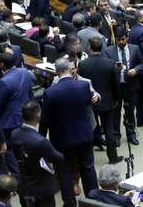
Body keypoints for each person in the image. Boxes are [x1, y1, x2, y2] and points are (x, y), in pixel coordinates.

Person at [39, 57, 100, 207]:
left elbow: (45, 120)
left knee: (65, 173)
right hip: (84, 136)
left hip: (62, 140)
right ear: (69, 69)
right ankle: (93, 201)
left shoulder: (50, 92)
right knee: (88, 168)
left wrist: (40, 139)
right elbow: (90, 102)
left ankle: (70, 203)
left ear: (56, 71)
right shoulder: (83, 86)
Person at [10, 101, 64, 207]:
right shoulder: (41, 141)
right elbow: (58, 158)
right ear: (38, 114)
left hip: (24, 186)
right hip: (41, 189)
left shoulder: (14, 134)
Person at [79, 37, 122, 164]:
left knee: (90, 127)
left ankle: (88, 158)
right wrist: (117, 99)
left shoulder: (82, 64)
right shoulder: (110, 63)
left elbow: (81, 84)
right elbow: (116, 84)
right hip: (107, 101)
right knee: (108, 129)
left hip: (89, 100)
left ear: (89, 48)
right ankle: (113, 157)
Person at [105, 27, 143, 146]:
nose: (121, 42)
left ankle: (131, 134)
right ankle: (116, 135)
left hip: (131, 86)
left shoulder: (135, 49)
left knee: (130, 111)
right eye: (118, 40)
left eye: (123, 39)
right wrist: (113, 69)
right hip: (116, 87)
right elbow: (106, 68)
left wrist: (136, 70)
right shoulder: (108, 51)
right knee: (115, 112)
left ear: (127, 37)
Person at [0, 52, 33, 147]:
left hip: (9, 121)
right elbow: (30, 93)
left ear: (2, 64)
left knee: (10, 148)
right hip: (24, 116)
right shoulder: (25, 72)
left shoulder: (4, 81)